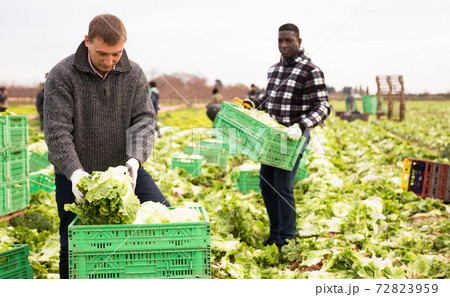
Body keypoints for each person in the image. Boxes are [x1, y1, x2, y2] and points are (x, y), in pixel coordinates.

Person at [44, 14, 169, 279]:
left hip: (122, 172)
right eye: (102, 53)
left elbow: (145, 120)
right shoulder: (62, 75)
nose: (110, 61)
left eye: (117, 53)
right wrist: (75, 173)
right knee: (73, 243)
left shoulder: (134, 74)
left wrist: (134, 161)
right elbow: (57, 132)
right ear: (87, 41)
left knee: (161, 217)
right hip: (76, 175)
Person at [244, 23, 330, 251]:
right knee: (266, 184)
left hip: (293, 138)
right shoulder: (274, 69)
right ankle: (275, 234)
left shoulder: (310, 70)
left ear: (299, 42)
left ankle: (288, 238)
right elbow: (269, 99)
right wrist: (253, 104)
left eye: (289, 41)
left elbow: (322, 106)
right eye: (280, 41)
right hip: (273, 138)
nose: (284, 45)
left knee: (282, 186)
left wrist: (301, 126)